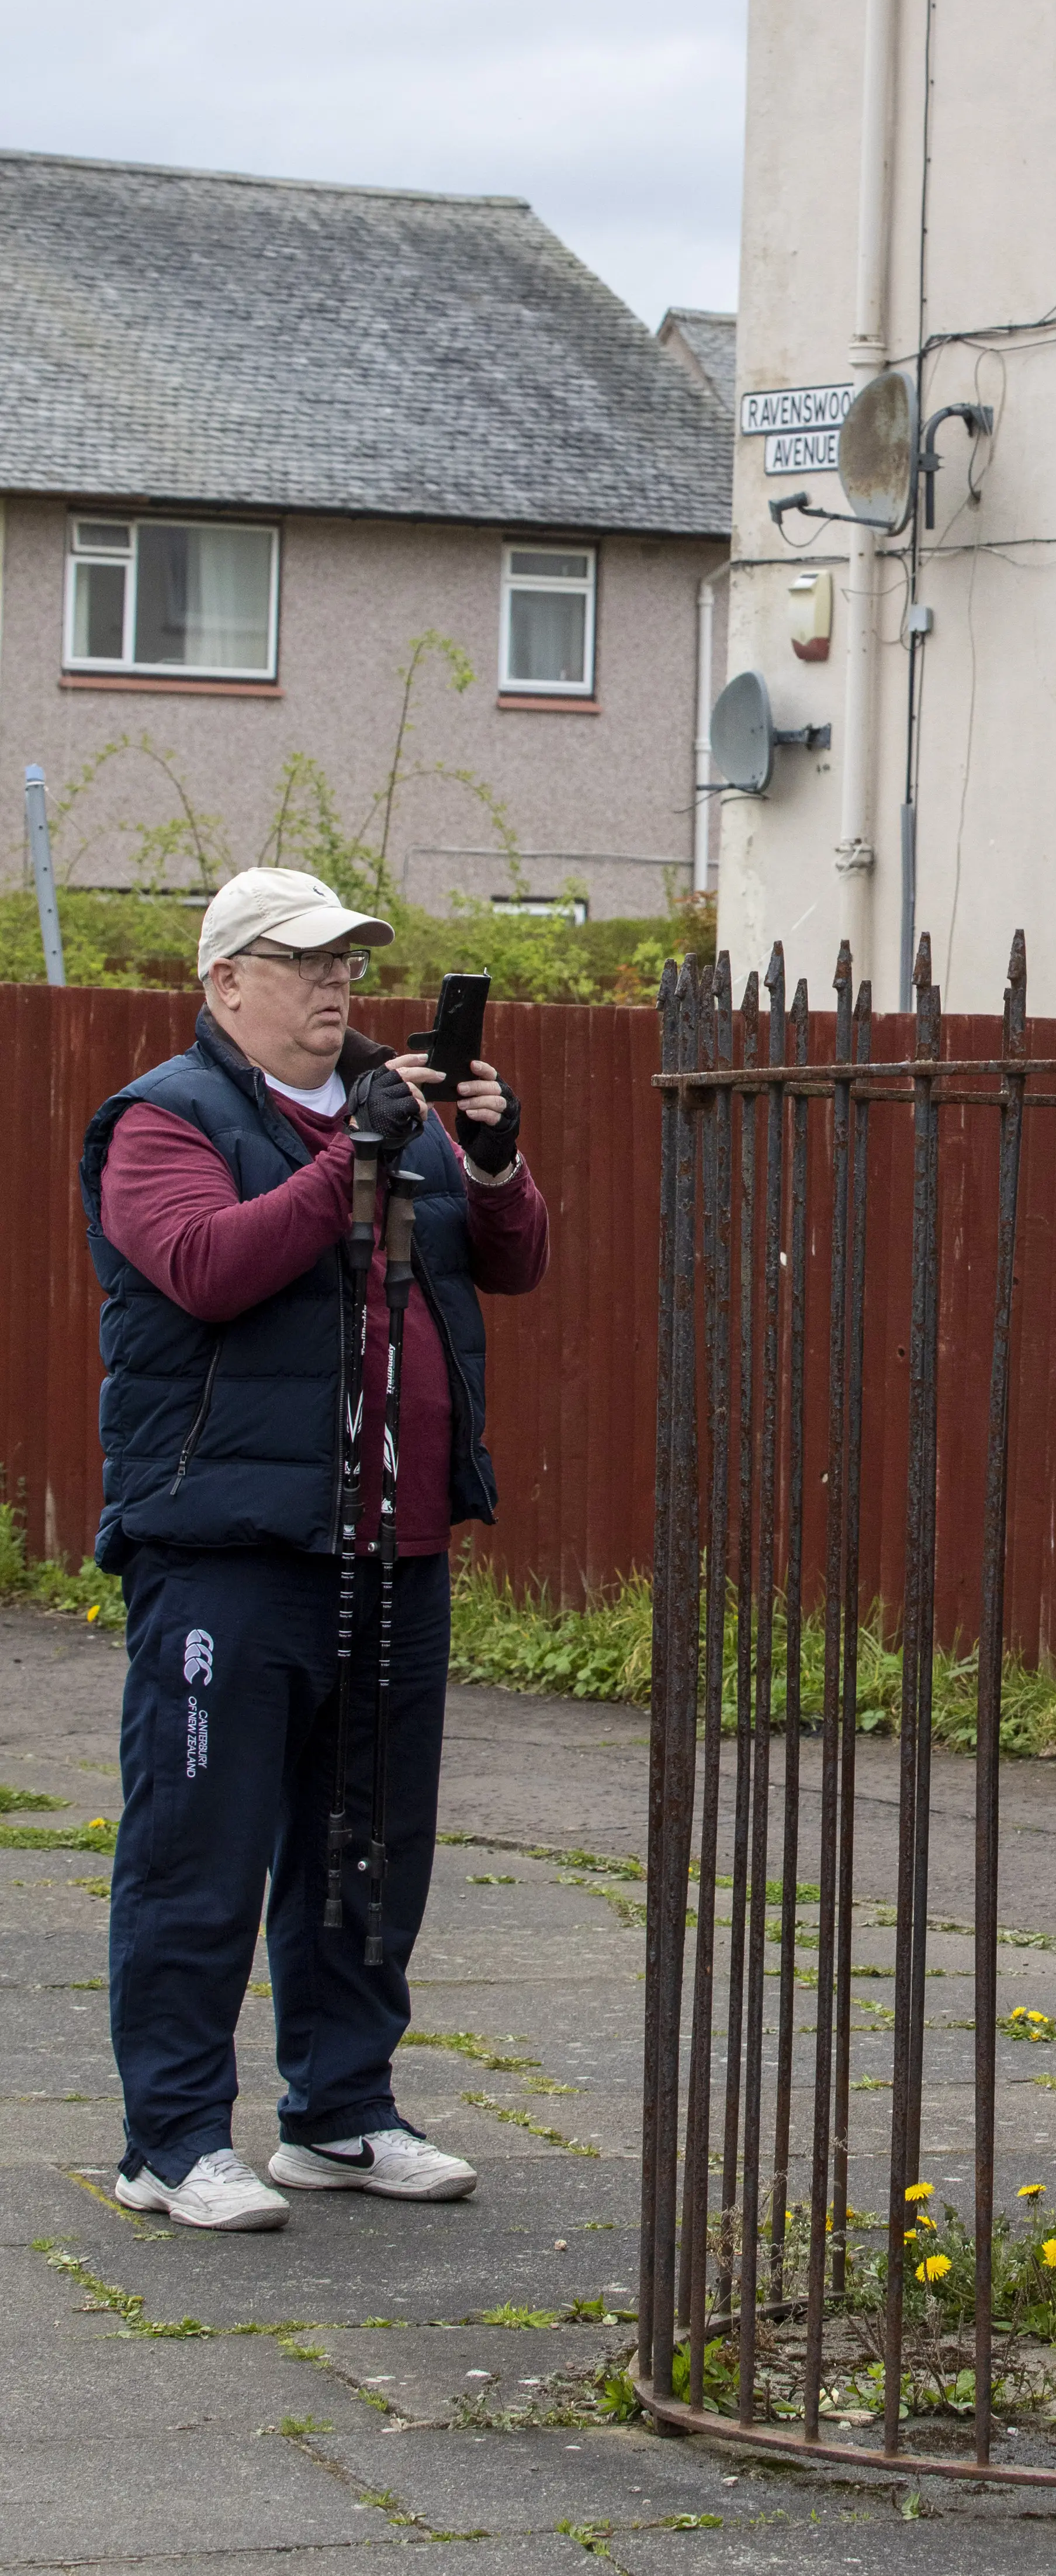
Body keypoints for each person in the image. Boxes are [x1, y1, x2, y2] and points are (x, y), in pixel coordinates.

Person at [80, 866, 550, 2232]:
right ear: (226, 982)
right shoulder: (167, 1119)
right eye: (301, 961)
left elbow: (505, 1260)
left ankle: (340, 2111)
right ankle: (168, 2138)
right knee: (199, 1849)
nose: (335, 981)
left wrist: (498, 1154)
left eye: (348, 957)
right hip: (227, 1546)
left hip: (390, 1546)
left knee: (370, 1851)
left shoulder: (391, 1112)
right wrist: (358, 1152)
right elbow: (207, 1264)